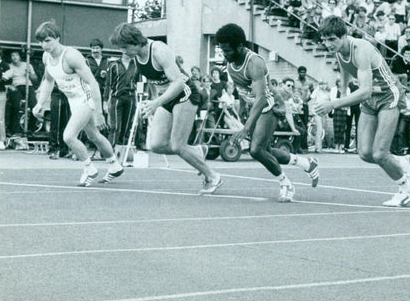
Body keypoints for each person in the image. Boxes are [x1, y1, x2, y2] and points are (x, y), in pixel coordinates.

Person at [315, 16, 410, 207]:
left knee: (379, 153)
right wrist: (344, 91)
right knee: (364, 153)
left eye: (332, 39)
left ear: (344, 35)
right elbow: (345, 68)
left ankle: (407, 188)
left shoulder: (361, 49)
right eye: (324, 39)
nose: (327, 44)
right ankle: (403, 162)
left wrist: (334, 103)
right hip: (371, 100)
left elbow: (365, 90)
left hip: (388, 95)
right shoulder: (338, 51)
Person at [109, 23, 221, 194]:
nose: (123, 52)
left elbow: (179, 82)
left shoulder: (159, 51)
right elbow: (155, 83)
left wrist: (156, 103)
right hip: (167, 98)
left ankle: (212, 176)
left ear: (136, 42)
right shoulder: (137, 56)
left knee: (178, 145)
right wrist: (155, 102)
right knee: (156, 144)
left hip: (185, 94)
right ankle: (197, 151)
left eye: (125, 47)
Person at [215, 24, 319, 201]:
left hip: (270, 105)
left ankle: (285, 183)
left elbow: (262, 98)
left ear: (239, 46)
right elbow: (243, 91)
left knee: (256, 150)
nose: (225, 54)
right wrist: (242, 113)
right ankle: (306, 163)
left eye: (227, 50)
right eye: (222, 50)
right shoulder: (231, 61)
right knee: (265, 149)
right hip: (255, 106)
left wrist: (246, 128)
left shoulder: (254, 63)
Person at [31, 21, 123, 186]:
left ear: (57, 38)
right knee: (94, 135)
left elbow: (93, 83)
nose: (43, 45)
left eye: (47, 40)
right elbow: (48, 81)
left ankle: (89, 169)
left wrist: (99, 112)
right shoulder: (47, 57)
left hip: (86, 99)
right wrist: (39, 103)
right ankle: (114, 165)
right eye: (40, 41)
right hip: (73, 100)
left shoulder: (71, 56)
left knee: (68, 136)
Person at [2, 49, 38, 136]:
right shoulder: (9, 66)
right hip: (16, 86)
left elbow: (35, 79)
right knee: (15, 106)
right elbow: (5, 79)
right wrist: (10, 86)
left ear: (19, 56)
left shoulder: (27, 65)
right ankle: (14, 130)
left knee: (35, 107)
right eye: (12, 56)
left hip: (28, 86)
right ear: (10, 58)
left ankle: (31, 129)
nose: (14, 57)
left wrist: (29, 74)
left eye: (16, 55)